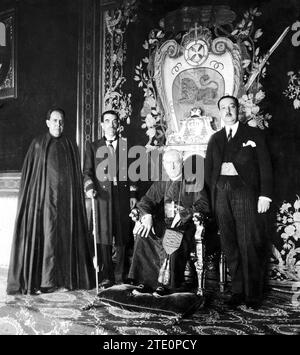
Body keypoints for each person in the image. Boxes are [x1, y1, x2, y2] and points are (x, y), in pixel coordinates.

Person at [7, 108, 95, 295]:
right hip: (43, 205)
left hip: (65, 205)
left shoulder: (70, 145)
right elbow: (31, 178)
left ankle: (63, 280)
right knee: (46, 239)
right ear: (48, 122)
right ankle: (44, 282)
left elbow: (75, 177)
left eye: (61, 121)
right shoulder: (38, 145)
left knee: (63, 240)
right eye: (54, 121)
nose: (58, 124)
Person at [205, 95, 273, 309]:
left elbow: (265, 166)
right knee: (230, 245)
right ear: (219, 112)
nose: (227, 111)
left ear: (238, 110)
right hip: (221, 196)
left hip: (245, 194)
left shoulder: (253, 134)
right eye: (223, 108)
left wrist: (265, 195)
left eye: (231, 107)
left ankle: (252, 295)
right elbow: (208, 173)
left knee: (248, 243)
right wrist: (210, 200)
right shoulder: (215, 139)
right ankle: (237, 291)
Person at [128, 149, 210, 296]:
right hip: (166, 223)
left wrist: (185, 213)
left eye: (175, 163)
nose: (171, 167)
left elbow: (203, 204)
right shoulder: (163, 179)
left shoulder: (192, 179)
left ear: (182, 163)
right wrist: (147, 215)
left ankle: (167, 285)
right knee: (144, 235)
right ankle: (146, 282)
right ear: (163, 164)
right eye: (168, 163)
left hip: (186, 225)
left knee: (171, 238)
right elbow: (146, 200)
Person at [83, 110, 137, 289]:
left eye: (114, 121)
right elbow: (87, 172)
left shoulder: (126, 145)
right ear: (101, 125)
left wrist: (132, 195)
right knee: (104, 236)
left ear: (118, 124)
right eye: (107, 121)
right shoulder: (92, 146)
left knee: (122, 235)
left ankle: (121, 276)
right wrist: (90, 187)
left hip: (122, 197)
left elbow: (133, 174)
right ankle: (106, 277)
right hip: (102, 197)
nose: (111, 125)